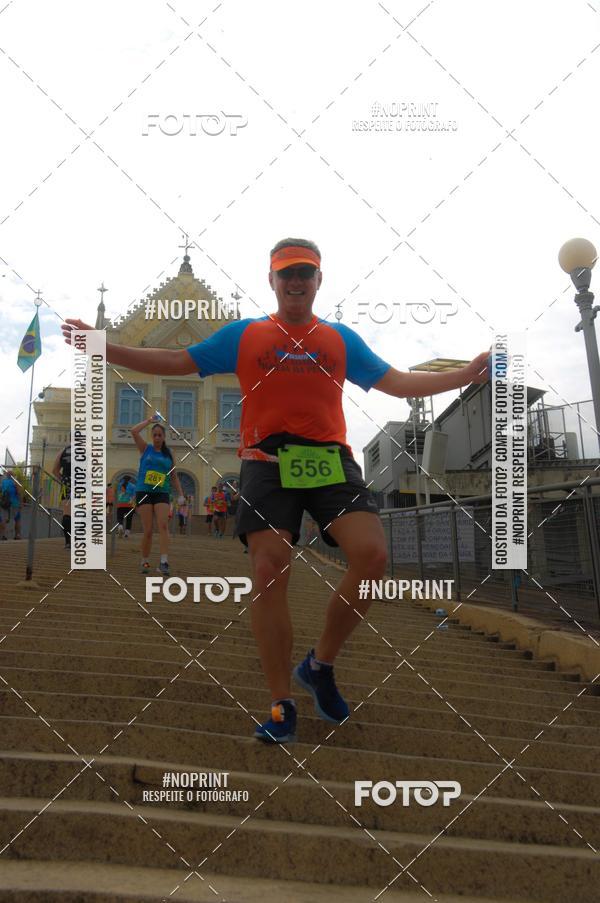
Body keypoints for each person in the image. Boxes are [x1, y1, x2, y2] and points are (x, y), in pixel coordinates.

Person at [62, 237, 489, 744]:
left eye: (305, 273)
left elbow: (395, 381)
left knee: (372, 556)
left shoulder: (339, 339)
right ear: (271, 280)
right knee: (269, 569)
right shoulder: (246, 335)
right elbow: (176, 361)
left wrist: (465, 374)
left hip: (329, 460)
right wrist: (103, 346)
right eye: (286, 273)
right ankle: (281, 701)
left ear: (318, 281)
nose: (295, 281)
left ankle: (320, 664)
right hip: (265, 459)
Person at [130, 415, 185, 576]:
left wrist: (180, 494)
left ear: (164, 437)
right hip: (144, 491)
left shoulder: (169, 455)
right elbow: (133, 431)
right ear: (151, 436)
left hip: (162, 493)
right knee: (148, 530)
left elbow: (173, 476)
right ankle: (144, 560)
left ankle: (164, 561)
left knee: (163, 526)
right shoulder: (145, 448)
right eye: (154, 435)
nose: (157, 437)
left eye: (160, 435)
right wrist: (149, 421)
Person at [52, 444, 71, 549]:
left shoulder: (63, 450)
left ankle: (68, 542)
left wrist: (63, 480)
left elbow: (55, 470)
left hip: (67, 484)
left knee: (67, 513)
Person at [0, 470, 22, 541]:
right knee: (17, 519)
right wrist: (21, 503)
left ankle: (3, 535)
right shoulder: (15, 482)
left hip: (5, 503)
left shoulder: (3, 482)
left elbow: (1, 491)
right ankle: (17, 535)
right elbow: (18, 493)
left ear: (7, 475)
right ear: (13, 475)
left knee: (3, 519)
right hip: (14, 503)